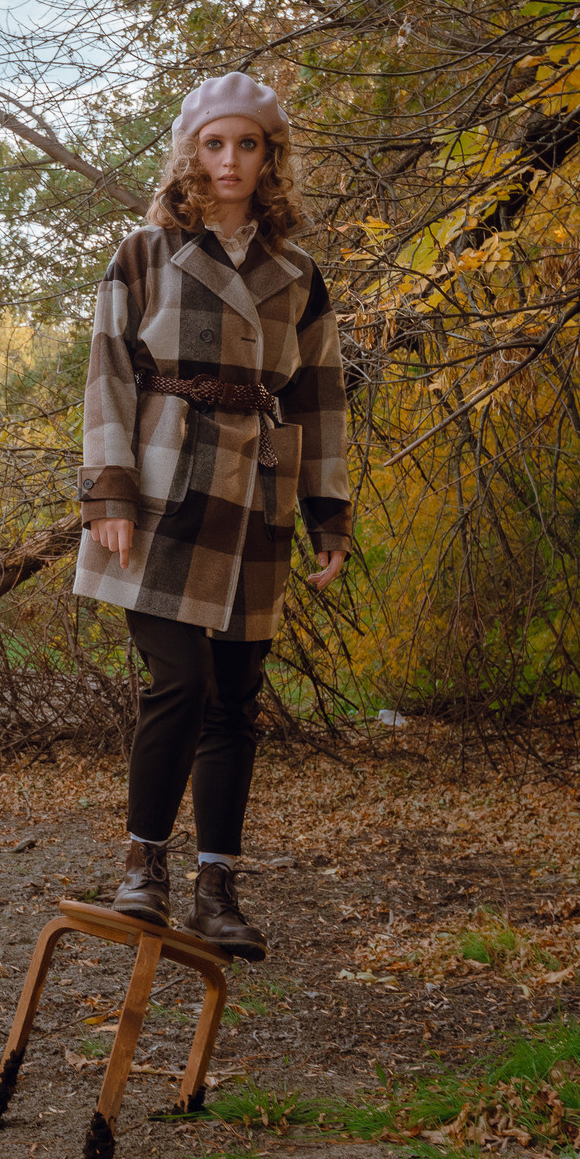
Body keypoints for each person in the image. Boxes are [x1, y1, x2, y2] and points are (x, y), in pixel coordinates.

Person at [73, 72, 351, 961]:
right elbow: (108, 372)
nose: (230, 160)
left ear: (271, 157)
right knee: (179, 681)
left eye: (249, 143)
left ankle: (216, 886)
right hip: (159, 490)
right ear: (191, 153)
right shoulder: (144, 252)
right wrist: (107, 489)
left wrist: (329, 516)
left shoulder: (300, 275)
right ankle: (141, 868)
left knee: (236, 699)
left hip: (258, 498)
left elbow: (320, 399)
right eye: (214, 143)